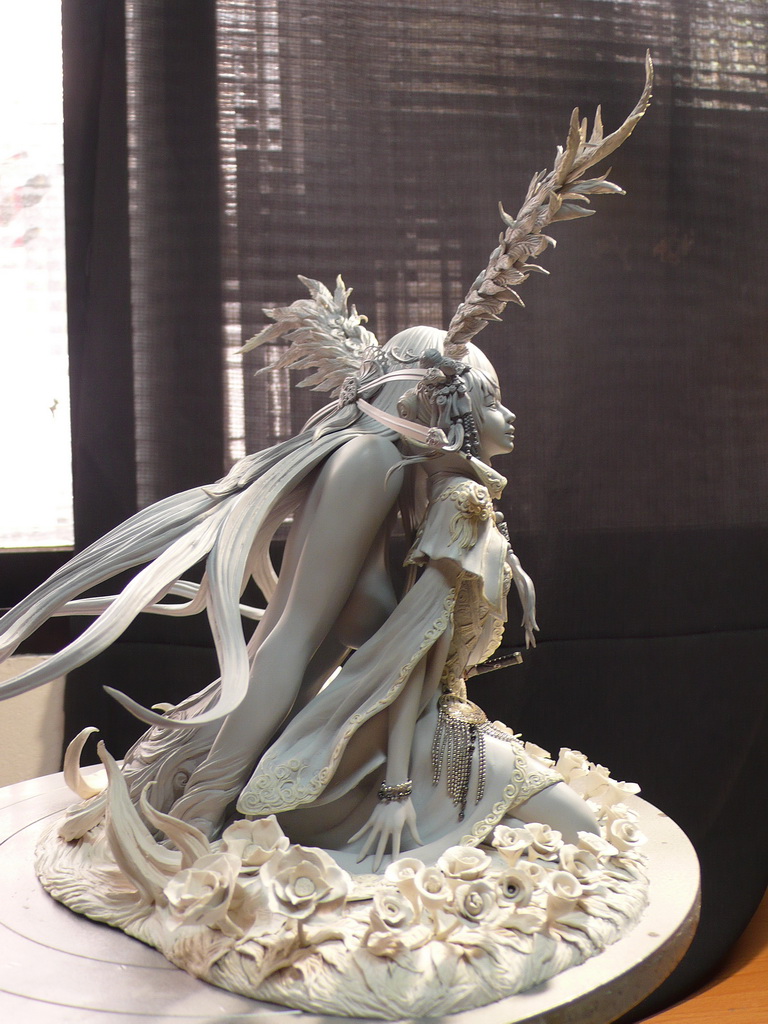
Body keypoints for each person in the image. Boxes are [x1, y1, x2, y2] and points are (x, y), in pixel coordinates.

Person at [0, 321, 597, 871]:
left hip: (390, 721)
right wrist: (209, 800)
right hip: (396, 730)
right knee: (577, 834)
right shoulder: (372, 461)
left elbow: (325, 635)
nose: (508, 415)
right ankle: (207, 803)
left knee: (564, 834)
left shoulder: (391, 469)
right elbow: (292, 638)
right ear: (431, 401)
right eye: (487, 400)